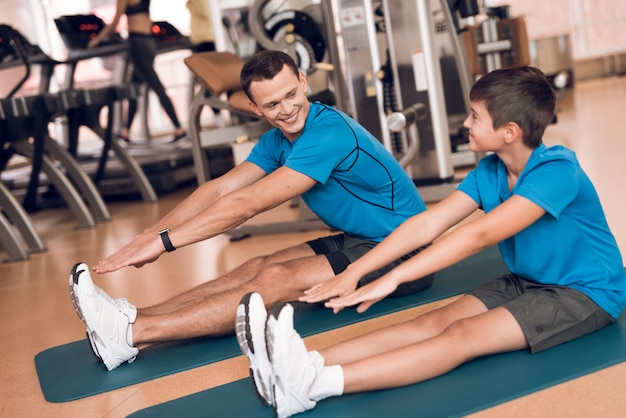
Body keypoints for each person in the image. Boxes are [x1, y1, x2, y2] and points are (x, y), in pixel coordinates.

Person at [236, 66, 626, 418]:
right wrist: (358, 270)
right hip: (528, 279)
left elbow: (479, 235)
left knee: (462, 335)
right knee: (433, 321)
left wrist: (391, 277)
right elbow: (427, 224)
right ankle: (293, 364)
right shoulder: (491, 169)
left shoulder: (557, 170)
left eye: (476, 117)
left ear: (509, 131)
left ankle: (309, 387)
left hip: (585, 293)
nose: (467, 124)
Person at [68, 50, 434, 371]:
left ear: (304, 82)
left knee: (273, 279)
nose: (287, 109)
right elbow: (220, 188)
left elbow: (246, 204)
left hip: (404, 250)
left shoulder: (328, 132)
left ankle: (131, 335)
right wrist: (150, 236)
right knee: (256, 266)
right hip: (363, 238)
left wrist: (165, 243)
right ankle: (131, 317)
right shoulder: (277, 140)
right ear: (255, 108)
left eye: (291, 94)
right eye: (273, 105)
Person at [88, 0, 186, 142]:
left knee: (156, 86)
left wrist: (96, 41)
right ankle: (126, 131)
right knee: (134, 86)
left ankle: (178, 127)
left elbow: (115, 22)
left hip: (137, 42)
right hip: (149, 41)